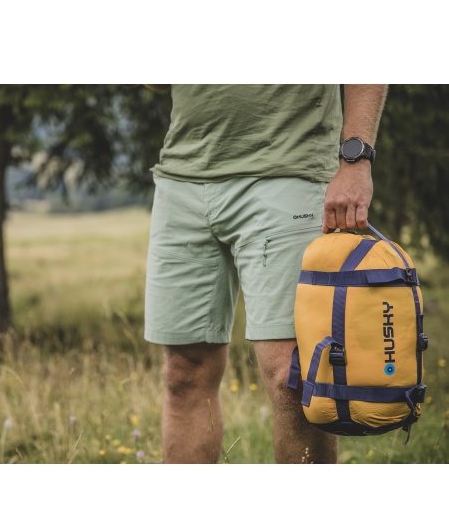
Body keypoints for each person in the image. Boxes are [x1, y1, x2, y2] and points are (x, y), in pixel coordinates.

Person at [138, 84, 388, 464]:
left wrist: (356, 160)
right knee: (183, 372)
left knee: (295, 378)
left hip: (287, 168)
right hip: (183, 174)